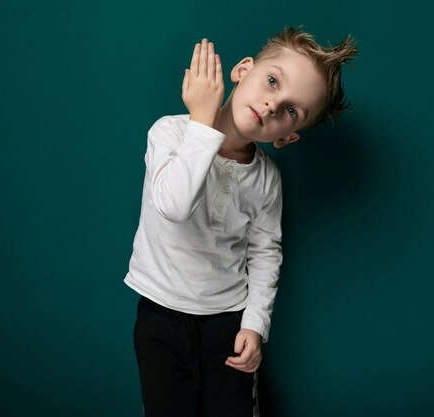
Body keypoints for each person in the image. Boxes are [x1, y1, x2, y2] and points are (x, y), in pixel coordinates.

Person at [124, 25, 357, 417]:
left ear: (287, 137)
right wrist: (201, 119)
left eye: (290, 111)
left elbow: (265, 253)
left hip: (227, 321)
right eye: (271, 81)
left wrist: (254, 325)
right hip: (160, 314)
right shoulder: (170, 132)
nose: (271, 105)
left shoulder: (266, 179)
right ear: (242, 69)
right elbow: (174, 206)